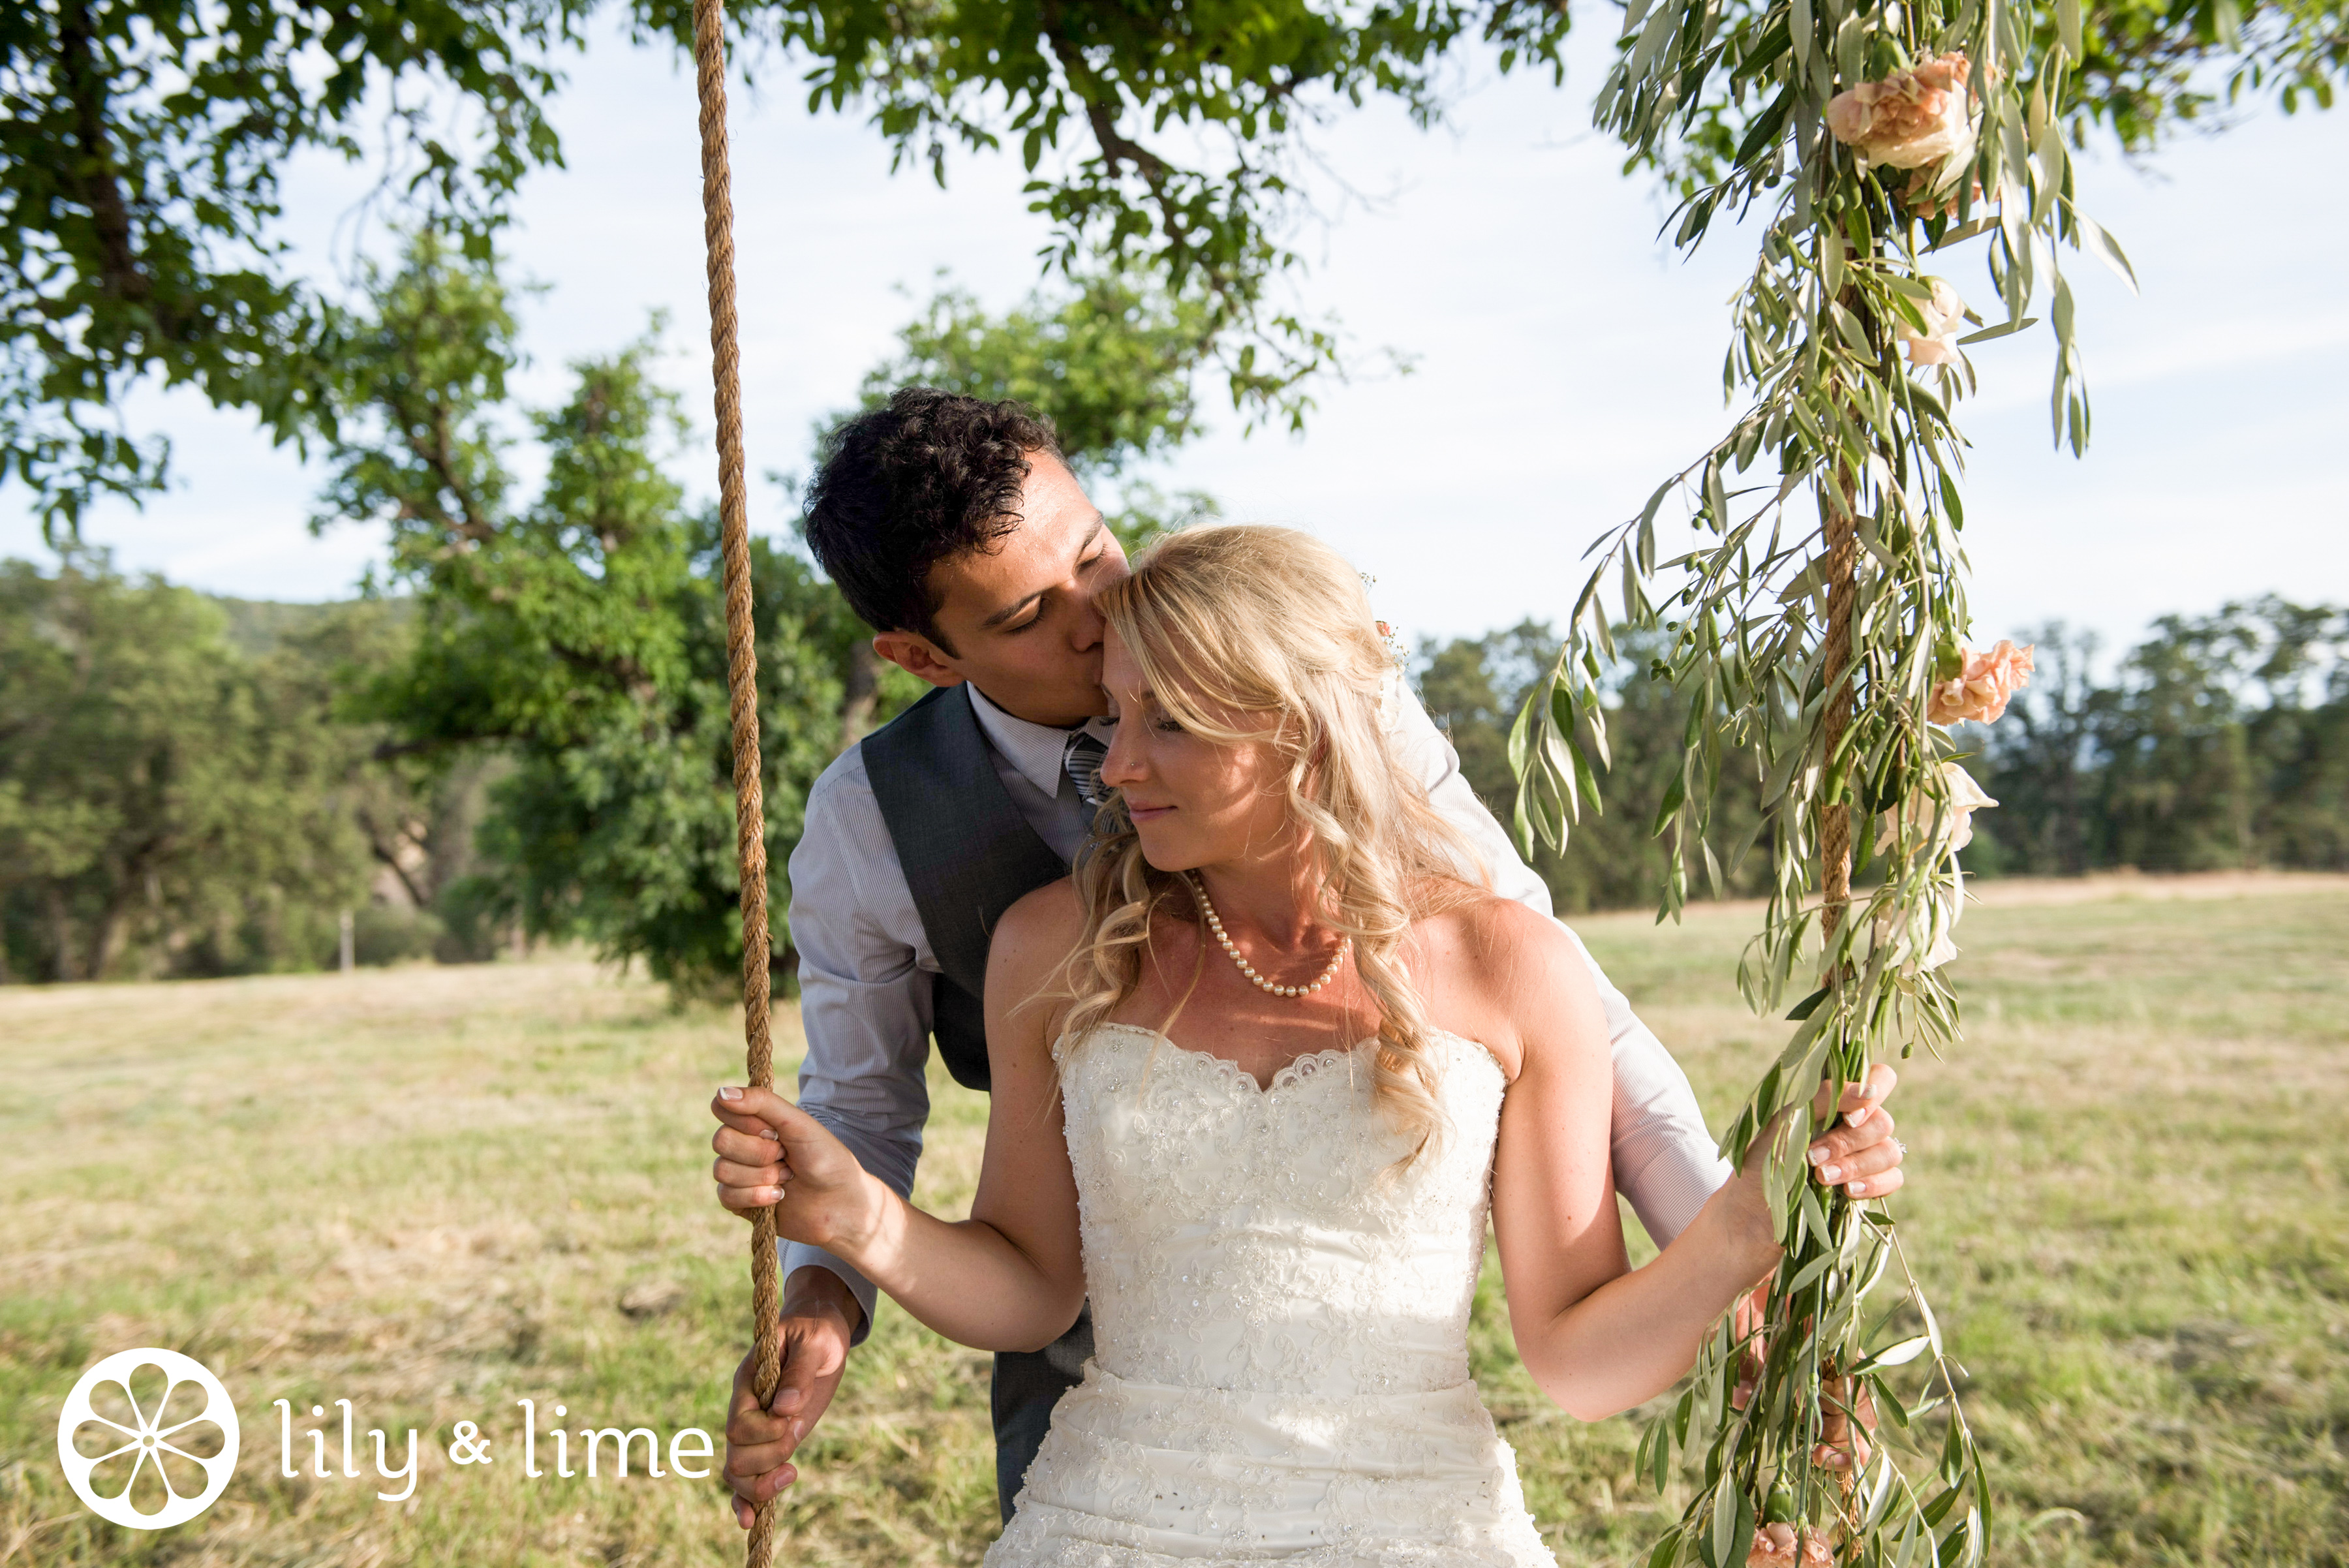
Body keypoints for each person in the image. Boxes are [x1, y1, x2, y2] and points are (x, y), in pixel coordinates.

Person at [709, 390, 1906, 1525]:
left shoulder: (1323, 694)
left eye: (1094, 554)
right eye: (1029, 616)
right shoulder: (876, 824)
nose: (1096, 615)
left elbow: (1540, 990)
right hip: (1095, 1366)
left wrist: (1735, 1260)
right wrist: (822, 1291)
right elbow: (862, 1103)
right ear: (926, 656)